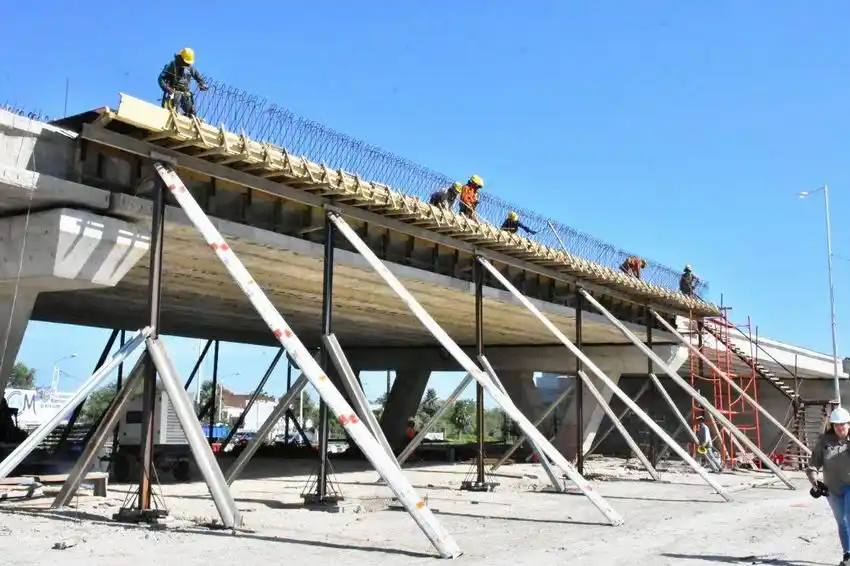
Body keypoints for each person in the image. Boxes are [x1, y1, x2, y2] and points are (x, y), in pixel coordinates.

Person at [806, 406, 850, 565]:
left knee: (849, 516)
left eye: (844, 424)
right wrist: (813, 479)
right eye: (837, 424)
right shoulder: (824, 441)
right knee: (841, 521)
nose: (841, 427)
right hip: (832, 489)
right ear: (832, 425)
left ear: (849, 424)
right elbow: (813, 464)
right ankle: (847, 554)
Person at [158, 47, 209, 118]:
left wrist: (202, 83)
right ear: (181, 58)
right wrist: (167, 89)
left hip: (185, 94)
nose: (188, 64)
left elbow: (198, 77)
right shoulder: (173, 65)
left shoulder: (190, 67)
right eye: (186, 62)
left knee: (191, 113)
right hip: (173, 93)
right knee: (173, 113)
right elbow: (161, 79)